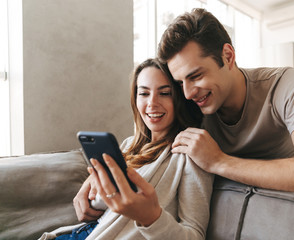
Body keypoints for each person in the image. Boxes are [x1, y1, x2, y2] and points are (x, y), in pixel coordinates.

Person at [157, 8, 294, 198]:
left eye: (196, 75)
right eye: (180, 82)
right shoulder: (189, 106)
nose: (188, 93)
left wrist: (219, 162)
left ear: (227, 56)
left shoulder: (283, 85)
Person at [40, 58, 213, 239]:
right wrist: (93, 187)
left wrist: (151, 218)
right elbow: (106, 206)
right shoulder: (128, 145)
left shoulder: (190, 153)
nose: (152, 103)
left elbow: (195, 235)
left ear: (180, 98)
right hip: (85, 232)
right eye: (144, 93)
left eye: (165, 93)